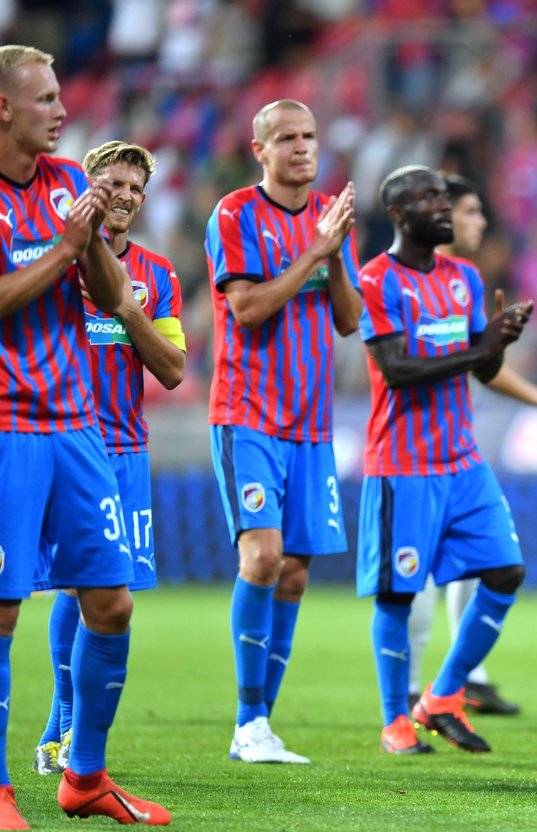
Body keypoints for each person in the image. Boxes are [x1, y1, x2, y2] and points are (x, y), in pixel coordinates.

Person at [0, 45, 170, 826]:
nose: (63, 111)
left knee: (110, 603)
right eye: (45, 99)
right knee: (3, 613)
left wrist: (93, 238)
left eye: (62, 96)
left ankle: (85, 774)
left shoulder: (69, 184)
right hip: (7, 427)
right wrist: (66, 248)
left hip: (77, 429)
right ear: (4, 108)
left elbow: (106, 292)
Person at [204, 98, 361, 765]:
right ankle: (246, 721)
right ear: (259, 149)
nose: (303, 147)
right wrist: (313, 253)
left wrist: (337, 256)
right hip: (249, 417)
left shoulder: (329, 217)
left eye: (310, 135)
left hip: (310, 426)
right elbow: (246, 308)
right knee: (262, 558)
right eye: (288, 138)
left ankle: (259, 724)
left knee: (294, 574)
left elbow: (349, 320)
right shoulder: (236, 213)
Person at [356, 165, 531, 756]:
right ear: (400, 215)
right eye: (427, 200)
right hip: (402, 465)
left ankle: (444, 694)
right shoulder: (377, 279)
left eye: (443, 198)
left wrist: (496, 343)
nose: (442, 208)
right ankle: (394, 720)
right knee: (398, 595)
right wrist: (477, 350)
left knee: (506, 571)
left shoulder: (462, 277)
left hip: (462, 460)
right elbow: (398, 370)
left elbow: (480, 368)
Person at [32, 140, 186, 778]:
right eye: (113, 182)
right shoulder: (52, 261)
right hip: (61, 443)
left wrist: (127, 310)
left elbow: (174, 369)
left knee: (106, 592)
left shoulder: (158, 275)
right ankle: (63, 731)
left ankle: (57, 732)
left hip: (125, 450)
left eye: (135, 188)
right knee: (77, 583)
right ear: (85, 187)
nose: (124, 194)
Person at [406, 172, 537, 716]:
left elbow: (482, 365)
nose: (480, 222)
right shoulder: (403, 277)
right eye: (471, 211)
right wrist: (535, 396)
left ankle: (465, 677)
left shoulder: (462, 280)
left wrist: (530, 387)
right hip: (408, 450)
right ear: (440, 215)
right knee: (420, 569)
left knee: (483, 559)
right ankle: (407, 693)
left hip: (457, 446)